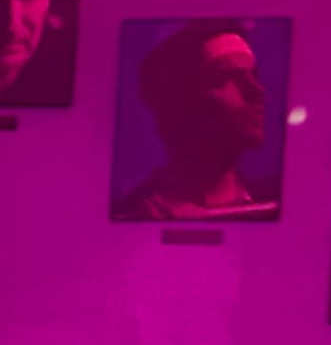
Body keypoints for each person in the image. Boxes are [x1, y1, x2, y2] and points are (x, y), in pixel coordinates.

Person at [113, 20, 277, 221]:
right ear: (179, 104)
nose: (257, 91)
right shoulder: (132, 216)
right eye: (226, 77)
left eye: (254, 75)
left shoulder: (279, 204)